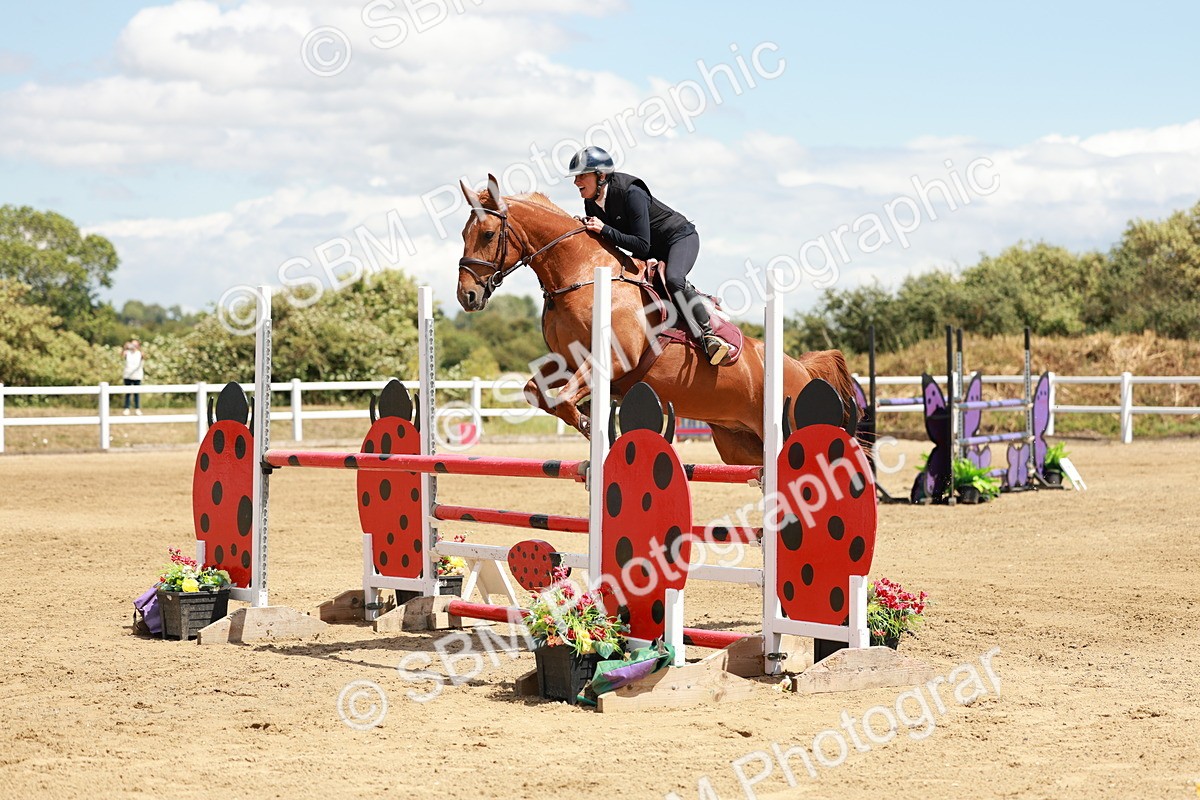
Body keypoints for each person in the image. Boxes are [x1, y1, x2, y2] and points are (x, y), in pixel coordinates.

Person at [567, 146, 733, 366]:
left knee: (674, 279)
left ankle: (708, 334)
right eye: (576, 176)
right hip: (649, 249)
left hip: (678, 238)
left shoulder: (631, 192)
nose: (576, 182)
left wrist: (604, 229)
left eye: (582, 175)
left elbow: (642, 245)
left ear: (601, 176)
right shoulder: (591, 202)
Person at [122, 339, 145, 415]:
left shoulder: (140, 353)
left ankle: (137, 408)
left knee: (136, 393)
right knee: (128, 393)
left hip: (137, 376)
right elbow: (122, 355)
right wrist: (125, 347)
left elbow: (144, 356)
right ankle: (126, 408)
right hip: (127, 375)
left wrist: (138, 348)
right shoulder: (127, 353)